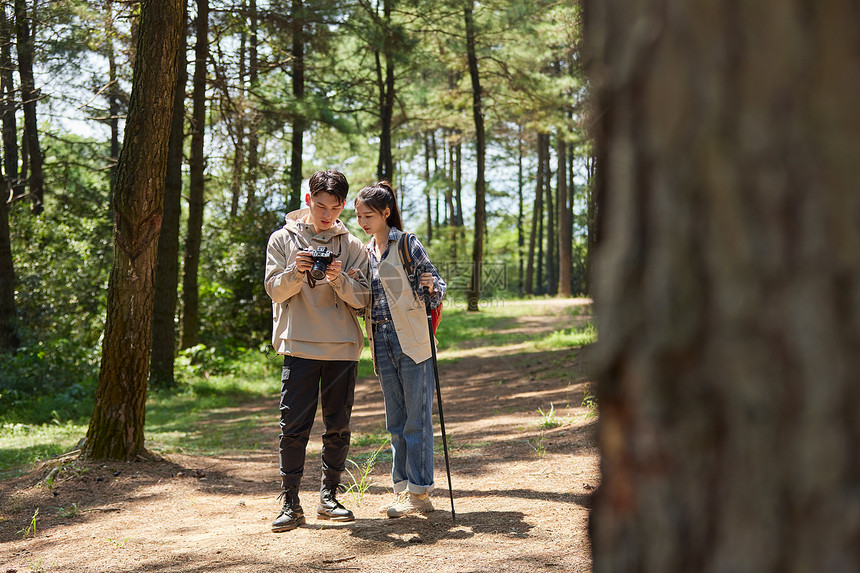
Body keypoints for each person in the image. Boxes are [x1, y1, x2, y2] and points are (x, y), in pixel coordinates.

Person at [264, 170, 371, 532]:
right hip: (299, 343)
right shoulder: (282, 239)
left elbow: (363, 302)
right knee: (293, 427)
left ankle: (329, 497)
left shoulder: (354, 246)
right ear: (308, 200)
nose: (327, 215)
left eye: (335, 208)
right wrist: (297, 272)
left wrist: (338, 278)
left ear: (343, 206)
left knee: (338, 427)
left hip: (342, 347)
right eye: (321, 206)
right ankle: (290, 502)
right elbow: (275, 291)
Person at [354, 181, 447, 518]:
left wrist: (430, 286)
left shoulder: (406, 243)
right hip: (379, 339)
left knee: (416, 419)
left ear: (385, 213)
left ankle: (420, 495)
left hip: (411, 338)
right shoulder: (365, 252)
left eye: (368, 215)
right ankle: (404, 490)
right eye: (359, 216)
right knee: (395, 420)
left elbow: (436, 286)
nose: (363, 221)